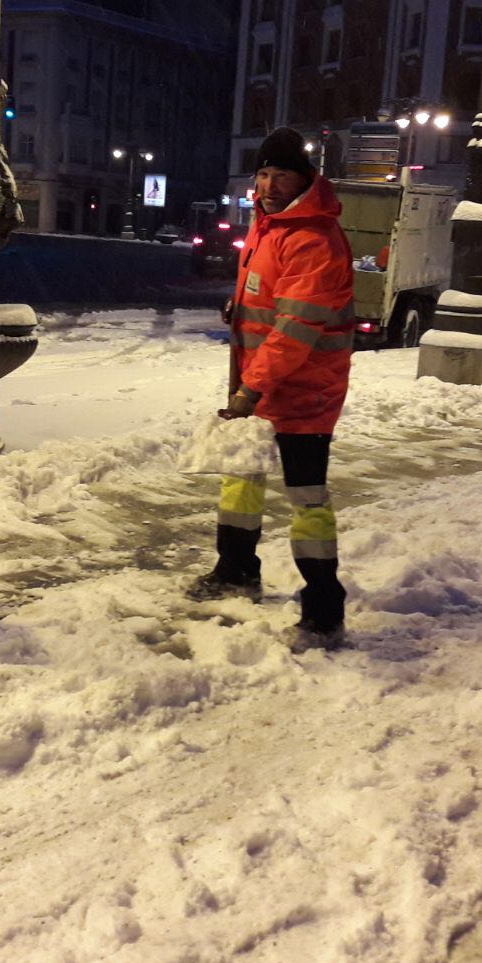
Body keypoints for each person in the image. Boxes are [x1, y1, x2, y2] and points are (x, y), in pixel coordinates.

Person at [188, 127, 355, 651]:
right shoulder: (268, 228)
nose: (268, 184)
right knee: (240, 482)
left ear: (304, 180)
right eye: (263, 173)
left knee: (307, 499)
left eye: (281, 175)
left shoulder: (314, 238)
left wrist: (249, 390)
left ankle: (324, 608)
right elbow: (268, 301)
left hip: (305, 392)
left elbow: (296, 329)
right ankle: (236, 570)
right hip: (259, 388)